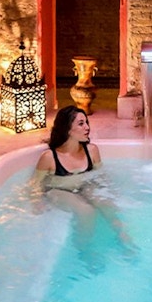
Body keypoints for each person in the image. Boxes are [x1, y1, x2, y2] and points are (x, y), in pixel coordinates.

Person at [32, 106, 133, 250]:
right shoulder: (49, 157)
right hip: (59, 190)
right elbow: (35, 184)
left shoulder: (92, 150)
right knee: (86, 211)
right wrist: (37, 204)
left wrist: (109, 192)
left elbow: (101, 176)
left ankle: (123, 236)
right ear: (67, 129)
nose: (87, 127)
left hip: (84, 185)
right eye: (81, 124)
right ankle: (84, 248)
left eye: (86, 123)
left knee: (106, 203)